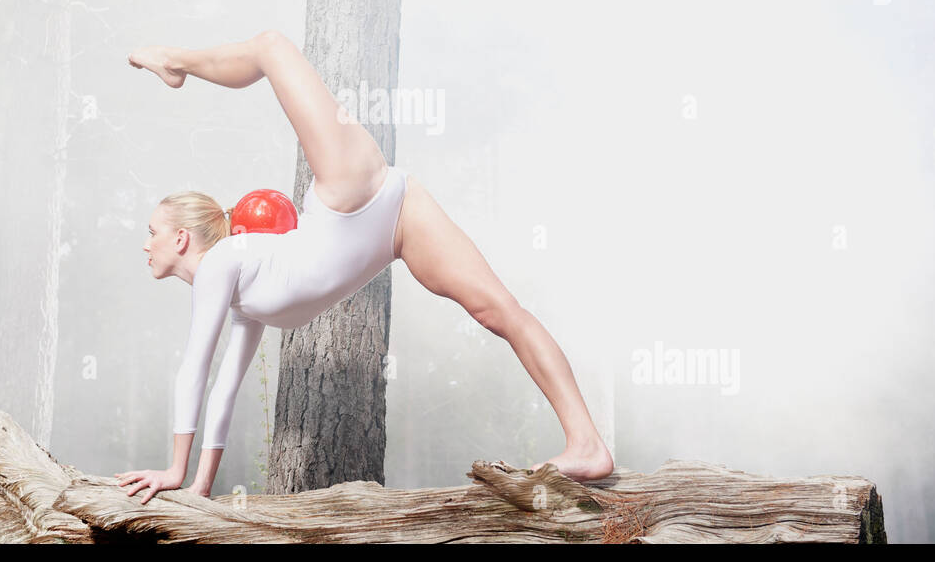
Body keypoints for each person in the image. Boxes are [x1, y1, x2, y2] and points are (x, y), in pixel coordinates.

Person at [115, 30, 614, 503]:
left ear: (181, 238)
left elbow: (194, 369)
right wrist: (200, 486)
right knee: (498, 311)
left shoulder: (221, 263)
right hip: (395, 216)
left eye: (152, 232)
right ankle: (588, 447)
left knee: (271, 47)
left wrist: (174, 472)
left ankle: (174, 60)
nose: (146, 245)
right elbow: (225, 384)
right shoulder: (241, 288)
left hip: (344, 196)